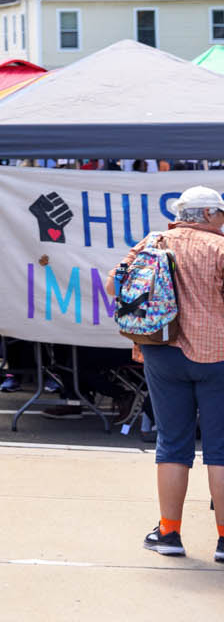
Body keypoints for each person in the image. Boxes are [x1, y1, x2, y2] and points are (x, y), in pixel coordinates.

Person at [124, 185, 224, 558]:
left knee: (171, 444)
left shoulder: (153, 243)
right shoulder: (220, 248)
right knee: (221, 449)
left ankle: (169, 533)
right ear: (209, 215)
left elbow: (115, 283)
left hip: (162, 351)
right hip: (218, 355)